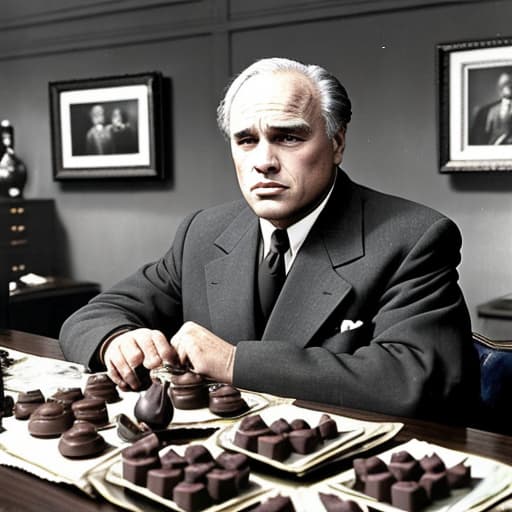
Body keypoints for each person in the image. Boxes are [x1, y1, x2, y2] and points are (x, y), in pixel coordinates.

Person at [60, 57, 480, 424]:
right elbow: (89, 318)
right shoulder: (202, 232)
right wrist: (117, 339)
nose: (263, 161)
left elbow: (412, 381)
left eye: (288, 137)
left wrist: (232, 362)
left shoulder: (414, 236)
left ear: (336, 143)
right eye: (246, 140)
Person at [470, 71, 512, 145]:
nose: (509, 86)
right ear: (499, 88)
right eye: (505, 83)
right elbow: (475, 139)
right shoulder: (484, 111)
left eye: (510, 83)